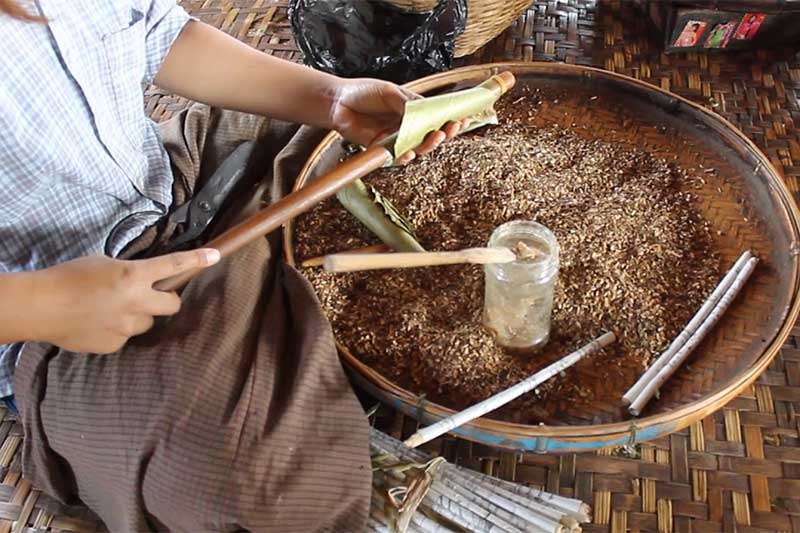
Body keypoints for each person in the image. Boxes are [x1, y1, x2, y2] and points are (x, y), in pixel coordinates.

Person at [0, 0, 465, 530]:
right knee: (262, 490)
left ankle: (260, 328)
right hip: (73, 318)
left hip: (181, 178)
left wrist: (330, 98)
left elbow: (158, 31)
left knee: (388, 141)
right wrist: (39, 305)